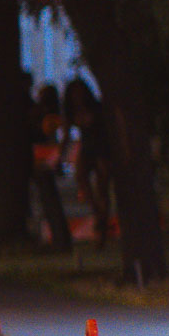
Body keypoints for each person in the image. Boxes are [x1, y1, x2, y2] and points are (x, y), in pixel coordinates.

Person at [62, 79, 113, 250]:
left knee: (102, 185)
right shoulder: (71, 110)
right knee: (81, 177)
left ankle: (102, 229)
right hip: (88, 147)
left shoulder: (96, 108)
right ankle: (97, 212)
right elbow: (67, 134)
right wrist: (61, 155)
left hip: (101, 146)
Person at [29, 82, 71, 251]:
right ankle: (57, 237)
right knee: (46, 199)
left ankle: (59, 238)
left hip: (43, 160)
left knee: (48, 198)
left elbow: (54, 135)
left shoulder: (47, 115)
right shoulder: (55, 114)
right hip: (46, 159)